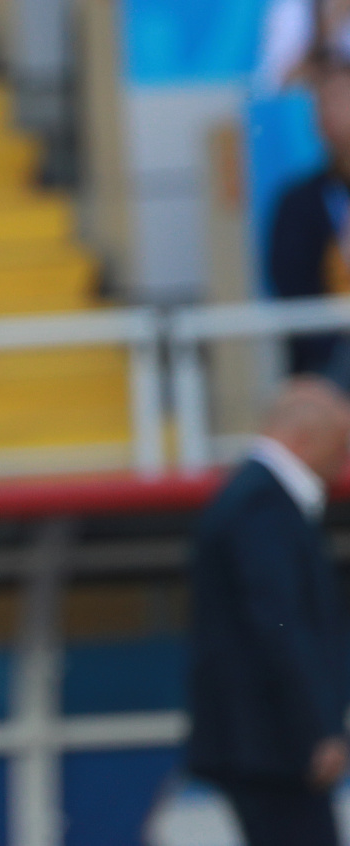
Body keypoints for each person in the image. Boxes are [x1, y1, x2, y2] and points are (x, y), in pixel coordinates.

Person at [186, 375, 350, 846]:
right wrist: (316, 727)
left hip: (265, 743)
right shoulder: (262, 504)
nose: (344, 459)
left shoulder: (253, 496)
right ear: (305, 437)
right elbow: (279, 621)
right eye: (341, 443)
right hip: (272, 745)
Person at [267, 45, 350, 376]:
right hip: (330, 367)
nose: (328, 111)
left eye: (340, 98)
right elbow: (294, 293)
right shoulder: (298, 203)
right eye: (321, 101)